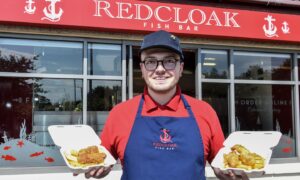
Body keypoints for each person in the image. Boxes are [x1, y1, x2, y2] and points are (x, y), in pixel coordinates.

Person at [80, 30, 249, 180]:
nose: (160, 69)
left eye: (169, 61)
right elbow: (103, 162)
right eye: (151, 61)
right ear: (142, 69)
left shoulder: (205, 112)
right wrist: (94, 168)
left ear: (181, 68)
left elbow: (221, 166)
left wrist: (233, 173)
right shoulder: (120, 113)